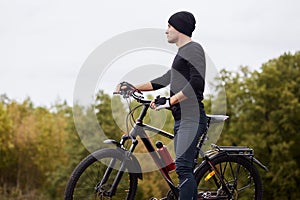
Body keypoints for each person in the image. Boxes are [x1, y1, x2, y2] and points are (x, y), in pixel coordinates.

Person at [117, 11, 207, 200]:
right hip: (182, 118)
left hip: (192, 117)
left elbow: (197, 83)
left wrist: (170, 100)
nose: (166, 31)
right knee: (183, 167)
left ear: (180, 28)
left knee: (183, 166)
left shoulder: (194, 49)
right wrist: (134, 87)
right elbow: (165, 79)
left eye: (169, 26)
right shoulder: (182, 53)